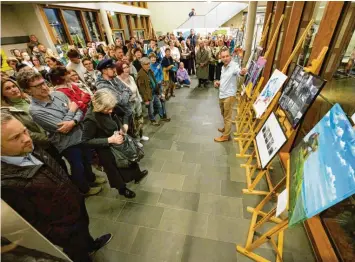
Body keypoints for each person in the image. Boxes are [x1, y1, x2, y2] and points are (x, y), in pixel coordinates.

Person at [1, 113, 112, 262]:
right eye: (15, 137)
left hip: (74, 206)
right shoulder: (5, 184)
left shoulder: (29, 148)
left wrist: (75, 195)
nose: (27, 138)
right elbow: (28, 223)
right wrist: (59, 233)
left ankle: (91, 245)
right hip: (62, 230)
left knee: (84, 235)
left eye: (25, 131)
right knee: (77, 253)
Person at [16, 70, 104, 195]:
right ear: (28, 90)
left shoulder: (58, 94)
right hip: (67, 143)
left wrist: (72, 118)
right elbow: (61, 128)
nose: (44, 87)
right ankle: (84, 189)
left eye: (43, 83)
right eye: (37, 86)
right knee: (77, 166)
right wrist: (72, 111)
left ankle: (91, 179)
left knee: (87, 159)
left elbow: (78, 111)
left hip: (81, 134)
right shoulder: (35, 110)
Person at [82, 89, 148, 198]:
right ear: (99, 107)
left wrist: (124, 125)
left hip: (120, 142)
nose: (111, 111)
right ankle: (122, 189)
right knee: (114, 170)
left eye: (112, 108)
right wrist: (109, 140)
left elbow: (126, 112)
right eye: (107, 109)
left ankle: (137, 175)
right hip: (106, 149)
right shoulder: (90, 119)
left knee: (130, 159)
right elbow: (85, 141)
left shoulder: (109, 105)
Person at [1, 77, 66, 172]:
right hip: (41, 145)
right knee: (56, 168)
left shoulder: (30, 99)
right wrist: (48, 139)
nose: (13, 89)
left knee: (63, 163)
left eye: (14, 86)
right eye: (7, 88)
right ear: (2, 94)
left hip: (55, 136)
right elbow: (25, 132)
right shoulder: (8, 112)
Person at [214, 48, 247, 142]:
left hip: (229, 95)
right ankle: (226, 128)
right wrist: (218, 82)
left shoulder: (234, 66)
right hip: (222, 94)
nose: (225, 58)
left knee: (227, 116)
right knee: (223, 114)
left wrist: (242, 72)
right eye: (223, 57)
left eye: (227, 56)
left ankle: (226, 136)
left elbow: (239, 72)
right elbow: (224, 80)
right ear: (221, 57)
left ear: (230, 56)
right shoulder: (223, 67)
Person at [96, 59, 133, 132]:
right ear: (104, 71)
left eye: (114, 67)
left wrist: (124, 92)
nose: (114, 70)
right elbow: (122, 101)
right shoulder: (102, 86)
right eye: (111, 68)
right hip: (119, 116)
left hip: (127, 111)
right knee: (126, 133)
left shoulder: (114, 78)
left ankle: (136, 139)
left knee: (132, 128)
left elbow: (129, 90)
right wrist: (125, 91)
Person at [116, 61, 149, 144]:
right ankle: (136, 140)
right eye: (124, 68)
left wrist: (140, 99)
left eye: (127, 67)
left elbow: (136, 89)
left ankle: (141, 135)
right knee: (133, 122)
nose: (127, 69)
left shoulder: (130, 77)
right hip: (128, 104)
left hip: (136, 101)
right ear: (120, 69)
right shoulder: (117, 81)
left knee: (140, 119)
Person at [137, 57, 171, 126]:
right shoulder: (140, 75)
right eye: (146, 64)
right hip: (148, 95)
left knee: (159, 105)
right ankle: (152, 120)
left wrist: (158, 92)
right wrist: (146, 99)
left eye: (149, 63)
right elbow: (142, 89)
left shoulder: (150, 71)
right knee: (151, 109)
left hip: (154, 92)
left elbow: (154, 81)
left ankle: (159, 117)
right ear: (142, 65)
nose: (148, 65)